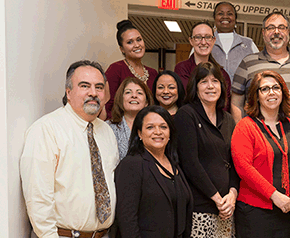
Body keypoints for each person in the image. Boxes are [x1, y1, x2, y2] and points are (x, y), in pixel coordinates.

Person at [20, 60, 119, 238]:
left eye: (99, 87)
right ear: (69, 92)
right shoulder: (47, 129)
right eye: (84, 86)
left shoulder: (107, 132)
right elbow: (38, 196)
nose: (93, 93)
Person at [231, 70, 290, 237]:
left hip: (289, 211)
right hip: (256, 213)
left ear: (283, 92)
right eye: (264, 89)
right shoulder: (245, 127)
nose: (271, 92)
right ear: (256, 95)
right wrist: (274, 196)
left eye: (276, 87)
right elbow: (244, 168)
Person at [174, 62, 239, 237]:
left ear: (222, 86)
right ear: (195, 87)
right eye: (204, 81)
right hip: (200, 208)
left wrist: (232, 195)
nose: (210, 86)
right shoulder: (186, 115)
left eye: (215, 81)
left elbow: (234, 161)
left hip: (227, 208)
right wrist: (217, 199)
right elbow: (190, 163)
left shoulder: (228, 119)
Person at [230, 11, 290, 136]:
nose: (276, 32)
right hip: (257, 144)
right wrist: (241, 134)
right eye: (270, 28)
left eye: (281, 27)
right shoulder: (248, 63)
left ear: (288, 32)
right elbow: (236, 102)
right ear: (263, 33)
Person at [115, 105, 193, 238]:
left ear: (170, 133)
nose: (158, 132)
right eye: (150, 127)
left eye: (163, 127)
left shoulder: (174, 163)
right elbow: (127, 220)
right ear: (139, 133)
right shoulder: (131, 164)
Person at [105, 20, 158, 119]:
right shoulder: (116, 69)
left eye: (139, 39)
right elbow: (108, 106)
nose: (137, 45)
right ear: (122, 49)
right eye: (130, 42)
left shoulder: (153, 73)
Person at [174, 21, 231, 111]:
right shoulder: (182, 69)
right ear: (191, 41)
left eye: (208, 37)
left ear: (213, 40)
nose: (203, 42)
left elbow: (224, 105)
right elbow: (184, 99)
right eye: (198, 37)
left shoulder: (222, 74)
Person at [107, 77, 154, 159]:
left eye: (139, 93)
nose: (134, 96)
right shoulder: (108, 127)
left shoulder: (156, 127)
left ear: (146, 102)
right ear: (121, 99)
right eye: (128, 92)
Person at [211, 1, 259, 78]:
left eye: (229, 14)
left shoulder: (249, 43)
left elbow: (258, 71)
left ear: (235, 19)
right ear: (214, 18)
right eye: (220, 13)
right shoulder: (205, 42)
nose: (225, 17)